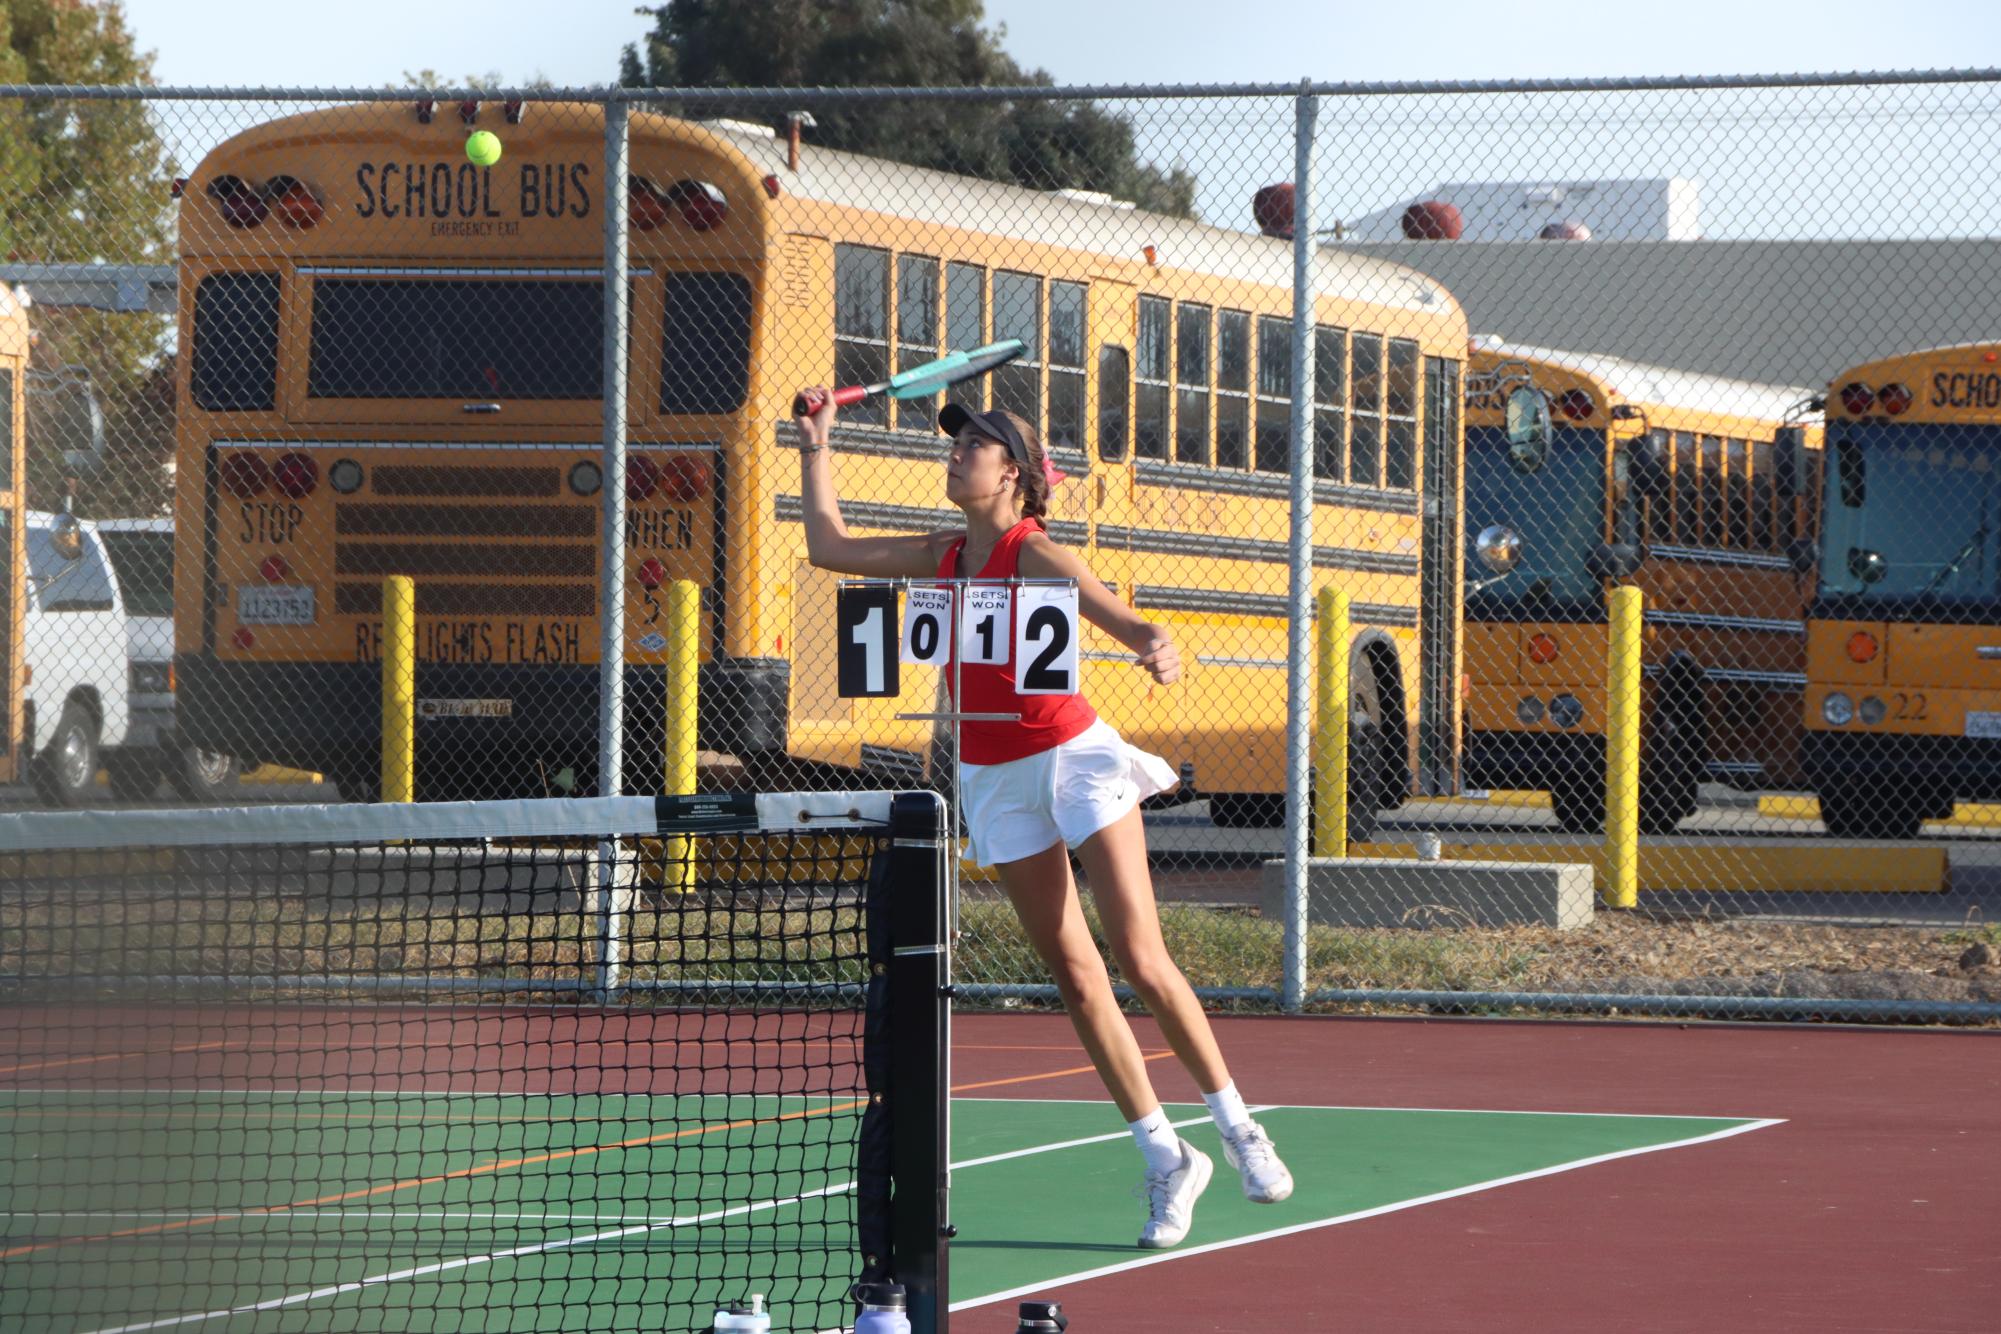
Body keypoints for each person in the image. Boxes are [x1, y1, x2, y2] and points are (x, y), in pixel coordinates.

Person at [794, 389, 1293, 1249]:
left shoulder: (1037, 556)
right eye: (954, 446)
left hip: (1073, 759)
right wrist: (815, 446)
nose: (954, 456)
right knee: (1071, 970)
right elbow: (827, 546)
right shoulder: (941, 555)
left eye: (973, 447)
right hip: (992, 776)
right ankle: (1164, 1157)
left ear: (1013, 476)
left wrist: (1154, 644)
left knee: (1138, 955)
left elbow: (1120, 616)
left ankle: (1240, 1131)